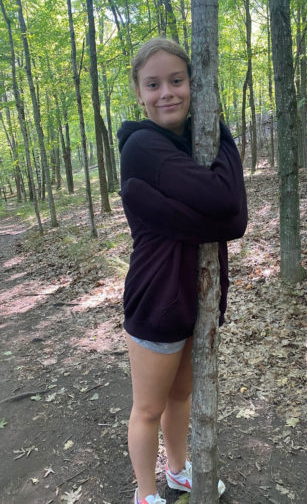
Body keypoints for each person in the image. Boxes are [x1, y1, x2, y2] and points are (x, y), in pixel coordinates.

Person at [118, 37, 247, 504]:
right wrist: (217, 219)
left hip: (199, 298)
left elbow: (233, 213)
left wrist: (222, 134)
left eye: (177, 80)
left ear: (195, 85)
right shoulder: (142, 146)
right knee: (148, 408)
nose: (167, 92)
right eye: (153, 84)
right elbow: (224, 206)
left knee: (180, 398)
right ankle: (147, 494)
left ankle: (177, 472)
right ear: (139, 92)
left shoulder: (200, 137)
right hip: (156, 299)